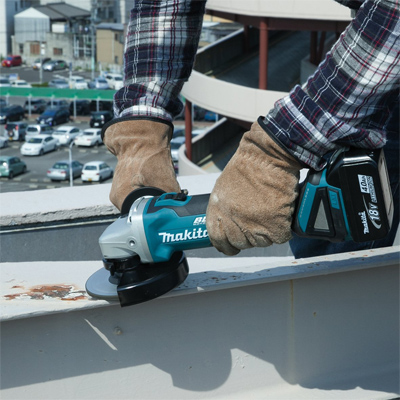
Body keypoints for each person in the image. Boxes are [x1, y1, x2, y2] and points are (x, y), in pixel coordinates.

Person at [101, 0, 399, 258]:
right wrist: (141, 128)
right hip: (375, 47)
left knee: (342, 231)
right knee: (329, 237)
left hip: (384, 50)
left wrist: (277, 153)